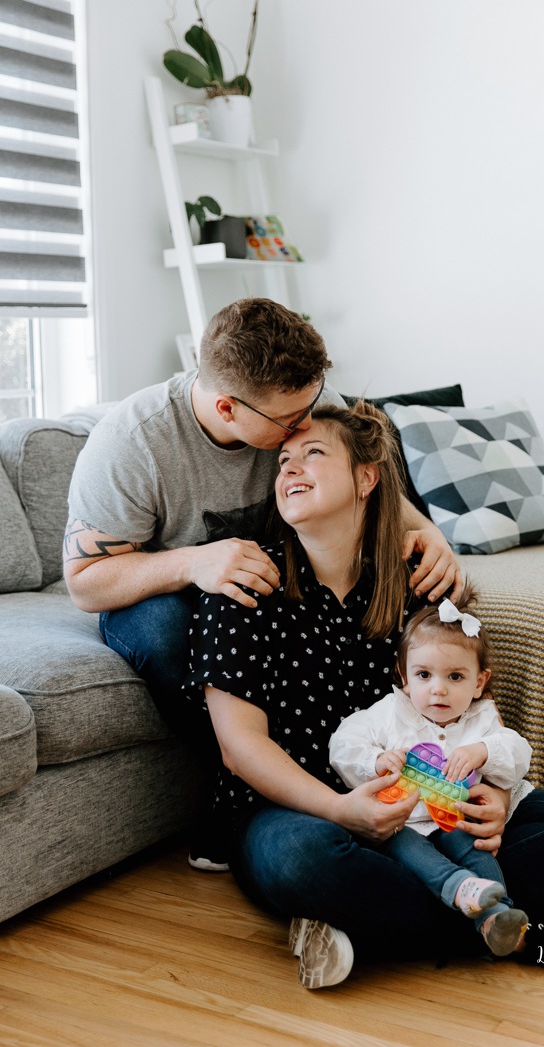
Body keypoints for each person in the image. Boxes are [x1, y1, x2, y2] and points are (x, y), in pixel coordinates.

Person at [182, 399, 544, 989]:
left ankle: (365, 933)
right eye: (282, 460)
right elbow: (239, 747)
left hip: (433, 809)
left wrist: (496, 800)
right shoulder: (241, 585)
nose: (289, 470)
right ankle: (534, 933)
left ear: (366, 478)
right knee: (304, 863)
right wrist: (340, 809)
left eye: (312, 454)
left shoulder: (417, 581)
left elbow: (475, 710)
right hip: (302, 811)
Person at [62, 298, 462, 868]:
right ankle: (248, 805)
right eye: (288, 423)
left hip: (273, 587)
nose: (303, 427)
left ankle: (370, 781)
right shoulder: (132, 445)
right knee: (168, 628)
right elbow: (83, 584)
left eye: (313, 403)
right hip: (164, 595)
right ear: (228, 407)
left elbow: (370, 483)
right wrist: (191, 563)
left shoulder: (303, 398)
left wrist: (429, 535)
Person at [329, 594, 532, 957]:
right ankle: (460, 890)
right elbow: (342, 743)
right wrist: (376, 759)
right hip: (401, 822)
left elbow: (519, 754)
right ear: (405, 678)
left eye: (455, 677)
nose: (438, 688)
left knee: (478, 849)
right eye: (424, 675)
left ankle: (495, 917)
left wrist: (482, 751)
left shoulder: (482, 719)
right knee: (409, 850)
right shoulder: (392, 712)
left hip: (455, 817)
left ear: (479, 683)